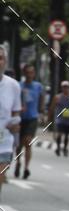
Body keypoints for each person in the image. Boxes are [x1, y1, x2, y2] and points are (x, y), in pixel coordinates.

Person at [15, 63, 45, 179]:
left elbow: (41, 99)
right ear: (24, 73)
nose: (29, 75)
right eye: (27, 73)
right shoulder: (19, 85)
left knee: (28, 142)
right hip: (20, 118)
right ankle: (18, 163)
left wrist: (42, 112)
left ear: (34, 74)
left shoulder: (38, 86)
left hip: (32, 117)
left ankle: (26, 168)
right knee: (18, 145)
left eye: (31, 72)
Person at [0, 47, 22, 199]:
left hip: (4, 142)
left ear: (5, 61)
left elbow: (15, 113)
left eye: (0, 58)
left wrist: (15, 126)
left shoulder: (13, 85)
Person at [49, 80, 69, 155]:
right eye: (64, 87)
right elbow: (52, 107)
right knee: (60, 133)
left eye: (67, 87)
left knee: (66, 135)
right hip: (59, 119)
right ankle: (58, 147)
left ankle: (65, 148)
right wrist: (49, 117)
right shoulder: (57, 97)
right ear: (61, 88)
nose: (65, 89)